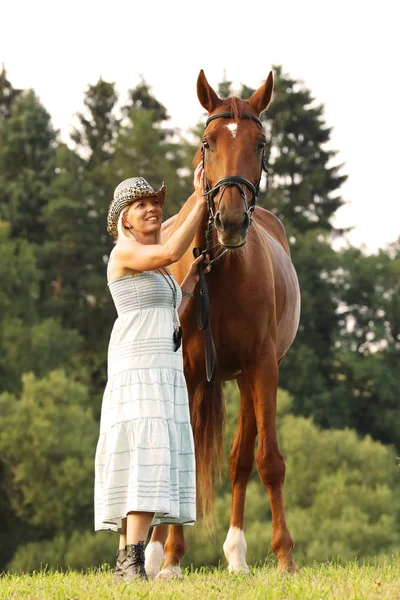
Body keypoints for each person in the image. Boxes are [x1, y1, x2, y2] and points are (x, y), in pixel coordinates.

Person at [94, 164, 209, 583]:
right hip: (138, 366)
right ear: (124, 218)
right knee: (144, 454)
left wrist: (190, 283)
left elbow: (167, 314)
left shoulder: (158, 269)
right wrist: (199, 197)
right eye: (141, 205)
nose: (152, 210)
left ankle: (128, 561)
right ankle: (132, 562)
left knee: (144, 456)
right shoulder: (125, 252)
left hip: (161, 365)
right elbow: (169, 252)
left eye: (155, 204)